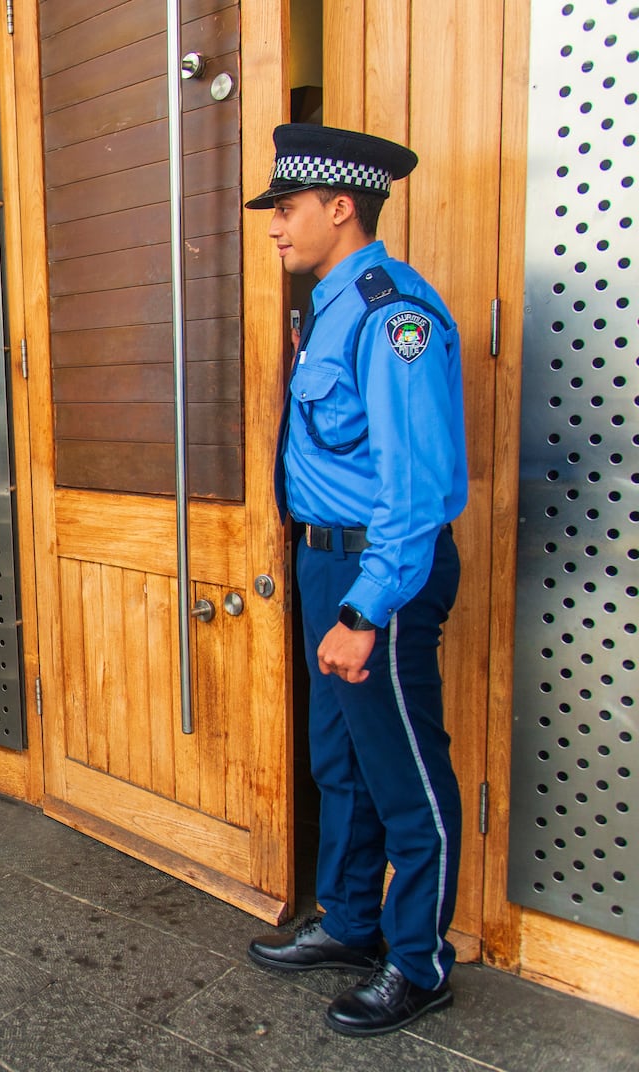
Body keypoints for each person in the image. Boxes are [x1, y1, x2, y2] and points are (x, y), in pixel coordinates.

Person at [242, 125, 467, 1037]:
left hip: (384, 567)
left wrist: (368, 607)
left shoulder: (392, 313)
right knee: (340, 758)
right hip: (328, 556)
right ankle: (350, 923)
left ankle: (418, 962)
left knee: (405, 774)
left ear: (341, 207)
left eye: (287, 210)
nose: (275, 229)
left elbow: (414, 490)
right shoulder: (333, 305)